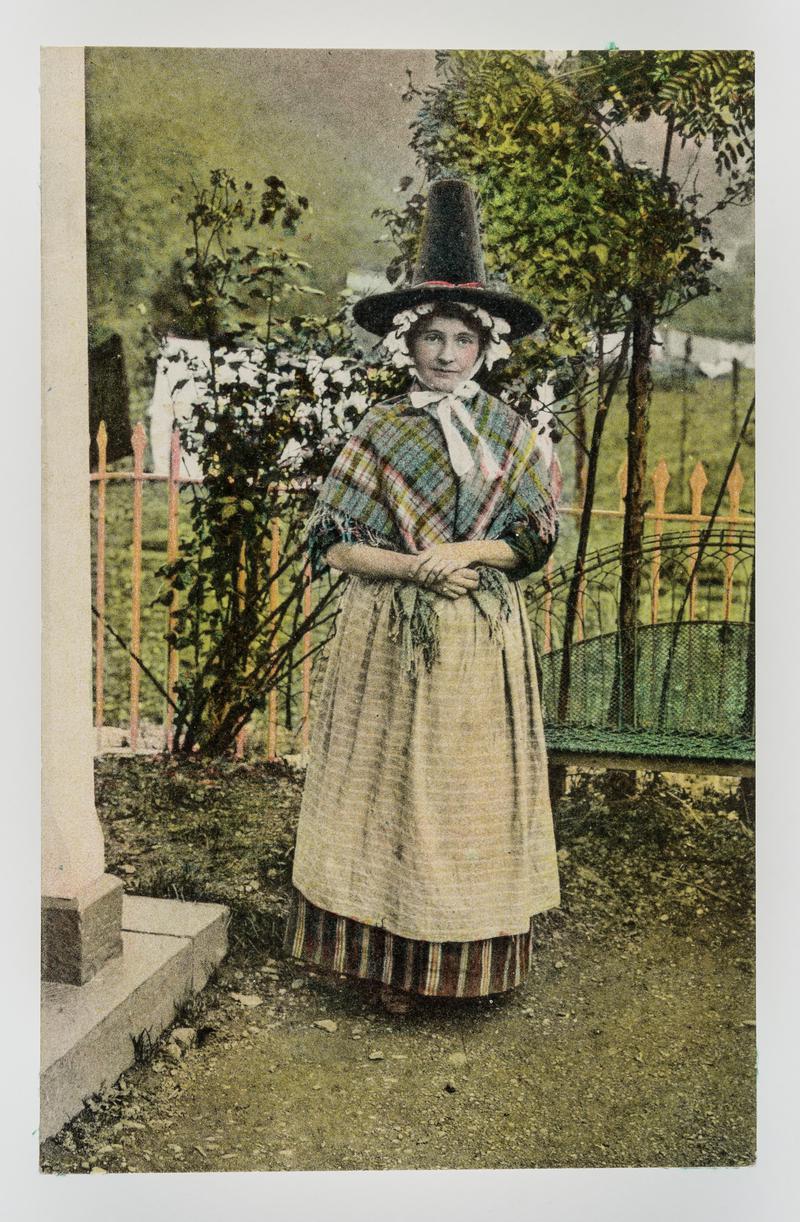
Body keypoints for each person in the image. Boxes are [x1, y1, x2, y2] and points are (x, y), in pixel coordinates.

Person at [283, 178, 561, 1013]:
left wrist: (467, 551)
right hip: (390, 633)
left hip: (478, 638)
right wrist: (411, 568)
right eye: (432, 338)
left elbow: (538, 538)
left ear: (486, 349)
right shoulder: (381, 428)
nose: (445, 354)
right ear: (409, 344)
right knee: (390, 788)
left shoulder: (513, 434)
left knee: (464, 797)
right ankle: (390, 968)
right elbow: (330, 543)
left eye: (461, 340)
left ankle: (468, 969)